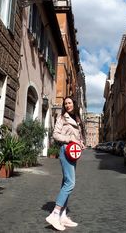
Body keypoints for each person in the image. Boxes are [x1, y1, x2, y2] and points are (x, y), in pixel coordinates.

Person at [46, 96, 85, 231]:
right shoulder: (62, 118)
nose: (68, 105)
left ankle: (62, 215)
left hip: (73, 153)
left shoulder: (77, 119)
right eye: (66, 103)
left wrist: (80, 143)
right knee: (70, 183)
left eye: (70, 103)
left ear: (74, 104)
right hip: (65, 150)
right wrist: (70, 139)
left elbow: (77, 137)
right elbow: (55, 135)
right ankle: (55, 214)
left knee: (66, 182)